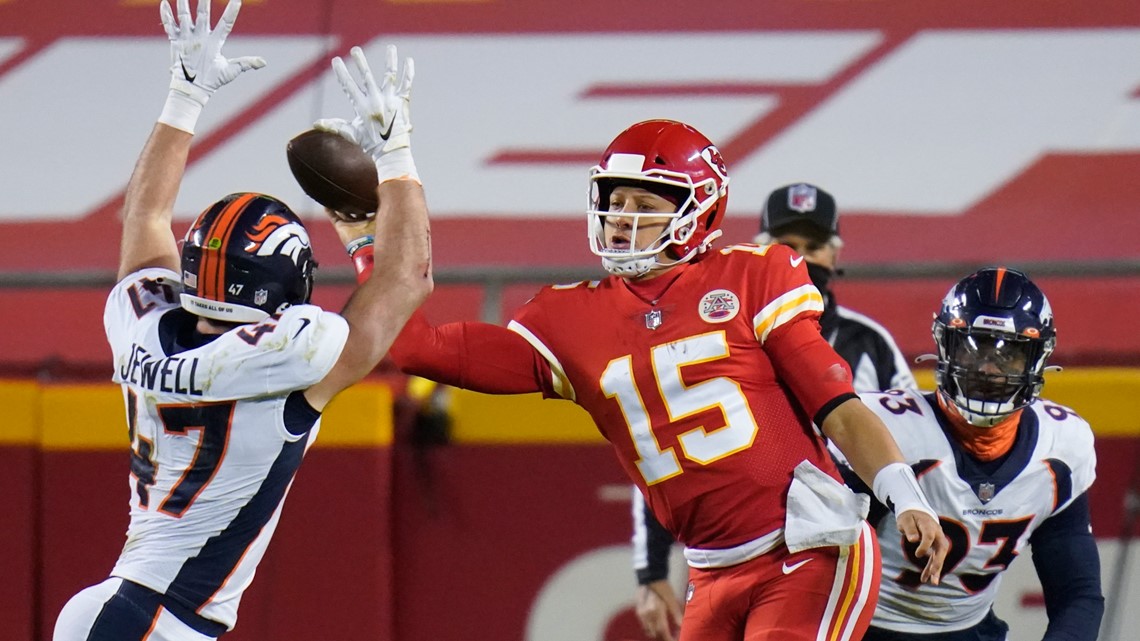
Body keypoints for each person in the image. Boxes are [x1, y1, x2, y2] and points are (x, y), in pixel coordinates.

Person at [353, 119, 949, 641]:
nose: (622, 218)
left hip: (809, 546)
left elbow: (835, 403)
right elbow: (413, 346)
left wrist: (905, 495)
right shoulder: (567, 319)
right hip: (710, 570)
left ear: (699, 209)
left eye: (646, 202)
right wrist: (370, 216)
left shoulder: (755, 274)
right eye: (616, 199)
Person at [51, 2, 431, 639]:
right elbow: (407, 280)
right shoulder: (291, 363)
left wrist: (183, 97)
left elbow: (144, 220)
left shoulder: (145, 325)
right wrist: (395, 158)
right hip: (158, 617)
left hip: (128, 606)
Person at [632, 182, 917, 640]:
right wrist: (649, 568)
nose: (800, 257)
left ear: (836, 253)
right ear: (758, 249)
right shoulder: (713, 338)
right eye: (786, 245)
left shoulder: (872, 344)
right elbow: (664, 451)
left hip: (841, 555)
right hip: (732, 551)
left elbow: (916, 446)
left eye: (814, 246)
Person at [843, 267, 1103, 641]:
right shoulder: (888, 427)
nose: (987, 368)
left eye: (1009, 354)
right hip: (862, 625)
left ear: (1037, 359)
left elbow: (1078, 594)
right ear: (945, 346)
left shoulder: (1061, 444)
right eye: (973, 347)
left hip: (968, 630)